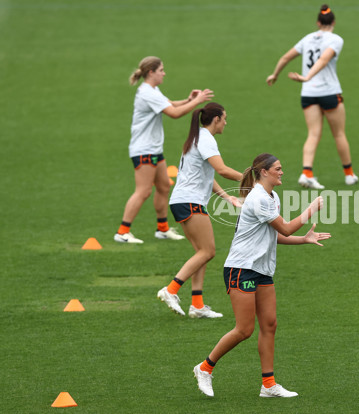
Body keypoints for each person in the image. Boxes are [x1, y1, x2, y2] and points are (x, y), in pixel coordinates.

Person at [192, 153, 331, 398]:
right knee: (244, 329)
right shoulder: (258, 198)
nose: (282, 172)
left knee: (269, 324)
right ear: (264, 172)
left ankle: (268, 385)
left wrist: (304, 239)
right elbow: (286, 227)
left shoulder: (272, 196)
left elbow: (276, 235)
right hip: (241, 268)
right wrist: (310, 210)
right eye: (278, 168)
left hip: (262, 270)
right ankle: (204, 368)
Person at [114, 56, 214, 244]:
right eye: (161, 70)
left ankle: (162, 229)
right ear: (151, 72)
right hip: (144, 150)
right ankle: (122, 232)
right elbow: (174, 114)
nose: (164, 73)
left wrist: (188, 99)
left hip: (153, 149)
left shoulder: (152, 90)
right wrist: (198, 101)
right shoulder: (147, 93)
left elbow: (169, 104)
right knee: (143, 191)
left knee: (164, 186)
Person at [157, 103, 243, 318]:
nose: (226, 122)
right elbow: (222, 170)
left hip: (183, 201)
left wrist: (227, 197)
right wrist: (250, 178)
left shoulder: (199, 139)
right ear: (216, 120)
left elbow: (207, 176)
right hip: (190, 202)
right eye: (224, 118)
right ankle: (171, 290)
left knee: (202, 253)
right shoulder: (206, 140)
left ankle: (197, 305)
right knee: (208, 251)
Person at [266, 4, 358, 190]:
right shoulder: (336, 39)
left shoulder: (307, 39)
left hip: (308, 93)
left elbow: (285, 57)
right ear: (333, 22)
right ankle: (349, 175)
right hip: (329, 92)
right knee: (339, 133)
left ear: (318, 22)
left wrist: (274, 75)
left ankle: (306, 173)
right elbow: (324, 60)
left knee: (313, 134)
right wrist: (307, 76)